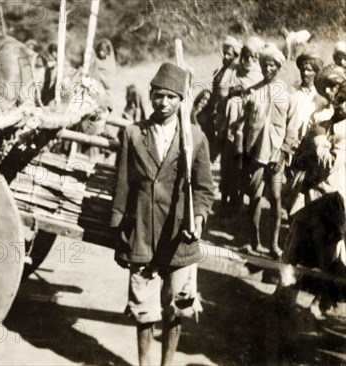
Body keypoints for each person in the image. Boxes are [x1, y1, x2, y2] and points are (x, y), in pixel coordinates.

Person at [110, 63, 215, 366]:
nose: (164, 102)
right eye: (159, 96)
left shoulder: (194, 138)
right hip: (142, 233)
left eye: (171, 97)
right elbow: (122, 186)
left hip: (179, 236)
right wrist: (119, 228)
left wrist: (198, 220)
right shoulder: (133, 134)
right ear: (151, 96)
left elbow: (205, 190)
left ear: (182, 100)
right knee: (144, 308)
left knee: (178, 306)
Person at [278, 80, 346, 318]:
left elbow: (329, 164)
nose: (341, 105)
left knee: (327, 254)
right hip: (310, 196)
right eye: (340, 99)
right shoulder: (325, 122)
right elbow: (303, 154)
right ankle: (285, 296)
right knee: (294, 245)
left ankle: (320, 303)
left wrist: (318, 145)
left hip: (331, 199)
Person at [237, 43, 288, 257]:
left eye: (272, 66)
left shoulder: (285, 92)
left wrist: (283, 152)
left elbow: (290, 126)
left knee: (275, 198)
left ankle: (274, 244)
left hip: (277, 156)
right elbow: (243, 122)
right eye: (265, 65)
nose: (268, 69)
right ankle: (253, 240)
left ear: (278, 67)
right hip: (256, 154)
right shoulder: (253, 91)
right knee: (254, 197)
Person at [216, 36, 264, 212]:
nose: (249, 60)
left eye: (253, 56)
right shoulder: (233, 71)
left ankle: (238, 201)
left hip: (250, 126)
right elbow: (222, 97)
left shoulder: (260, 74)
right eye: (246, 55)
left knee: (243, 163)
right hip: (231, 124)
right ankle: (225, 200)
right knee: (228, 161)